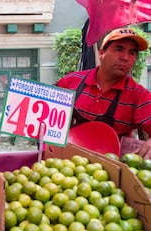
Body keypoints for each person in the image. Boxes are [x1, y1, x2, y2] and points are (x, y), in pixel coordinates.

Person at [56, 27, 151, 159]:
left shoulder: (138, 96)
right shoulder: (71, 82)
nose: (125, 58)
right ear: (101, 53)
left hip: (109, 169)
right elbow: (43, 114)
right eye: (119, 49)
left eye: (132, 53)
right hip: (65, 161)